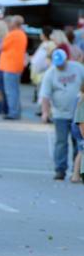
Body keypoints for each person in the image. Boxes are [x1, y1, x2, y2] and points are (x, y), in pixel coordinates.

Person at [39, 49, 84, 181]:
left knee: (79, 143)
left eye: (61, 62)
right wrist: (45, 112)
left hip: (78, 113)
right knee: (61, 142)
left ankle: (77, 171)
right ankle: (60, 170)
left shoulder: (77, 68)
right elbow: (45, 95)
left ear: (66, 59)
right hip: (60, 113)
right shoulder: (50, 73)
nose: (60, 65)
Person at [0, 16, 27, 119]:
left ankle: (13, 112)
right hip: (16, 65)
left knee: (11, 91)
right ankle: (16, 111)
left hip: (10, 66)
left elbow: (1, 47)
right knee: (15, 90)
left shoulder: (12, 34)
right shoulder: (22, 34)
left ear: (14, 24)